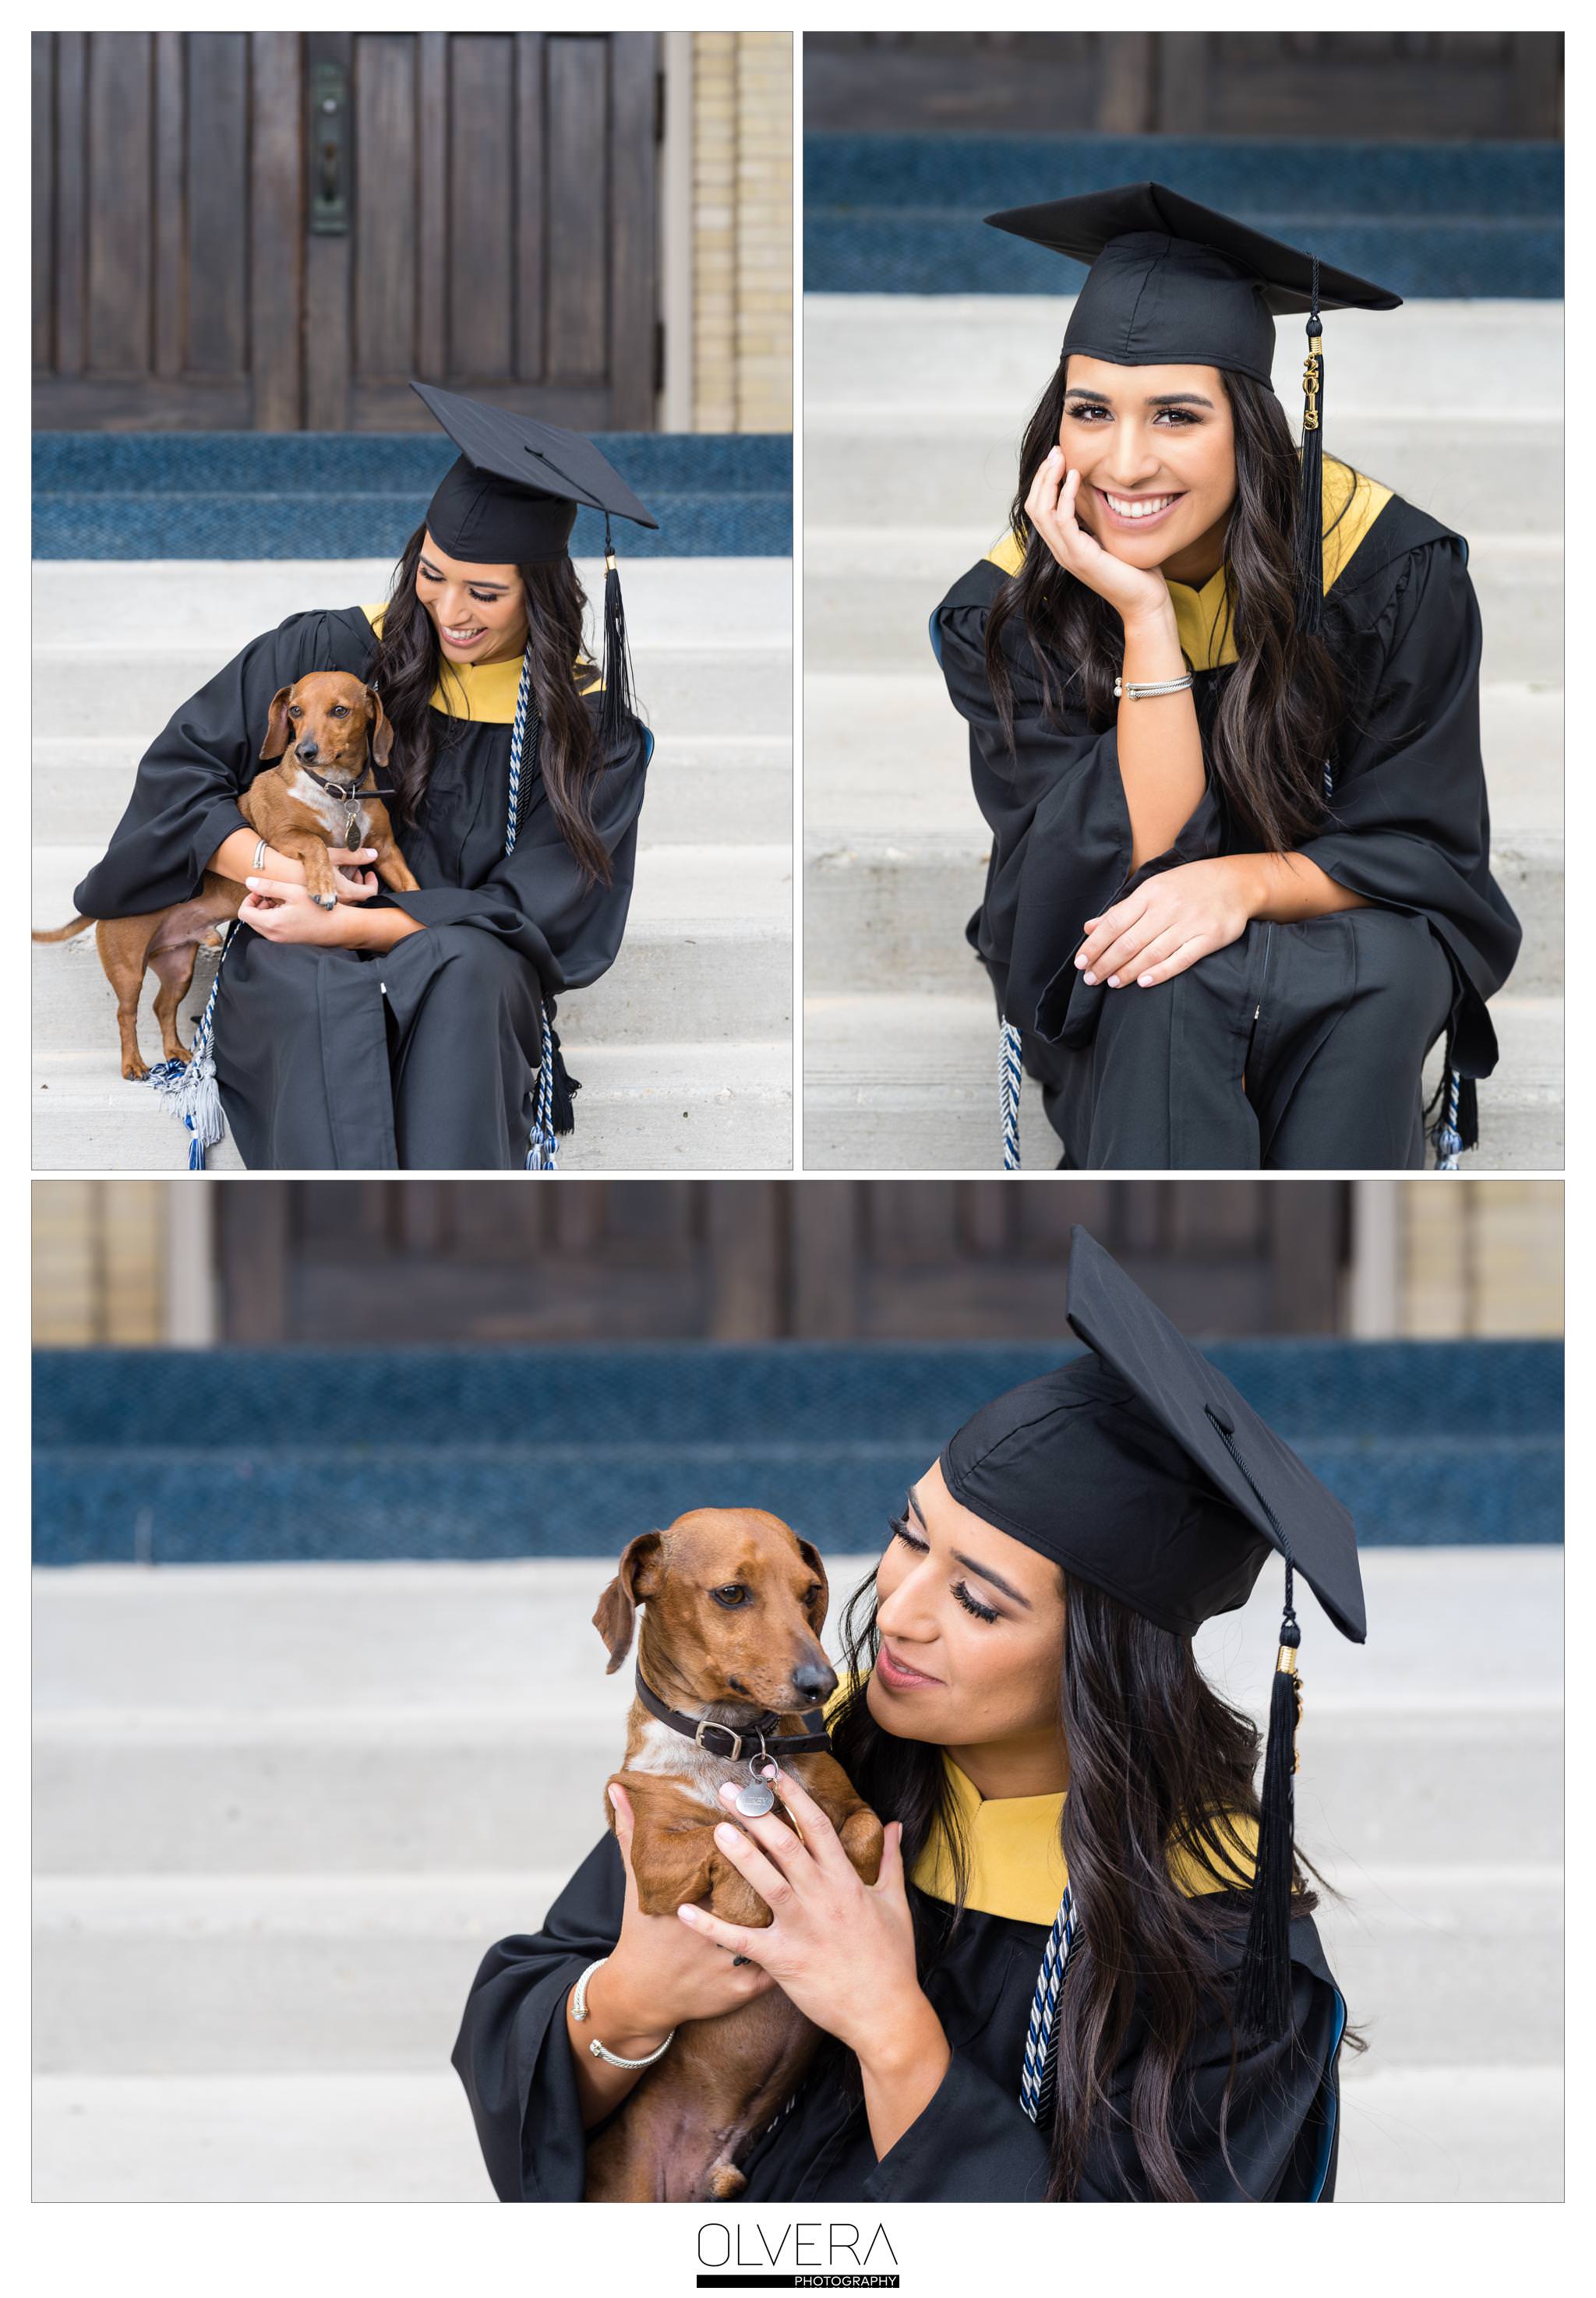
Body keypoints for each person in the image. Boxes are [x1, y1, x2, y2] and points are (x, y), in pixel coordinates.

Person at [451, 1227, 1362, 2202]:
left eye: (976, 1601)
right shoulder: (795, 1756)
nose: (898, 1610)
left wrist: (888, 2024)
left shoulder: (1222, 1954)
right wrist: (629, 2000)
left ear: (1102, 1665)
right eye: (906, 1537)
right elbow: (529, 2020)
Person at [930, 182, 1522, 1170]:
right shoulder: (1008, 617)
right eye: (1090, 411)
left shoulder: (1384, 573)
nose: (1123, 463)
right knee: (1158, 978)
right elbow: (1137, 874)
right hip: (1121, 930)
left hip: (1340, 916)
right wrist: (1144, 616)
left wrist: (1246, 882)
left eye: (1174, 416)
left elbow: (1421, 849)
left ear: (1250, 426)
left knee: (1378, 974)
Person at [69, 384, 655, 1169]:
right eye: (432, 574)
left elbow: (543, 910)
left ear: (541, 598)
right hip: (292, 929)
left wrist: (352, 923)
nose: (451, 611)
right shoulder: (325, 655)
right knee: (301, 983)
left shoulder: (589, 731)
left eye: (485, 593)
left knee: (473, 976)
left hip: (459, 954)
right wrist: (273, 869)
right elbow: (181, 775)